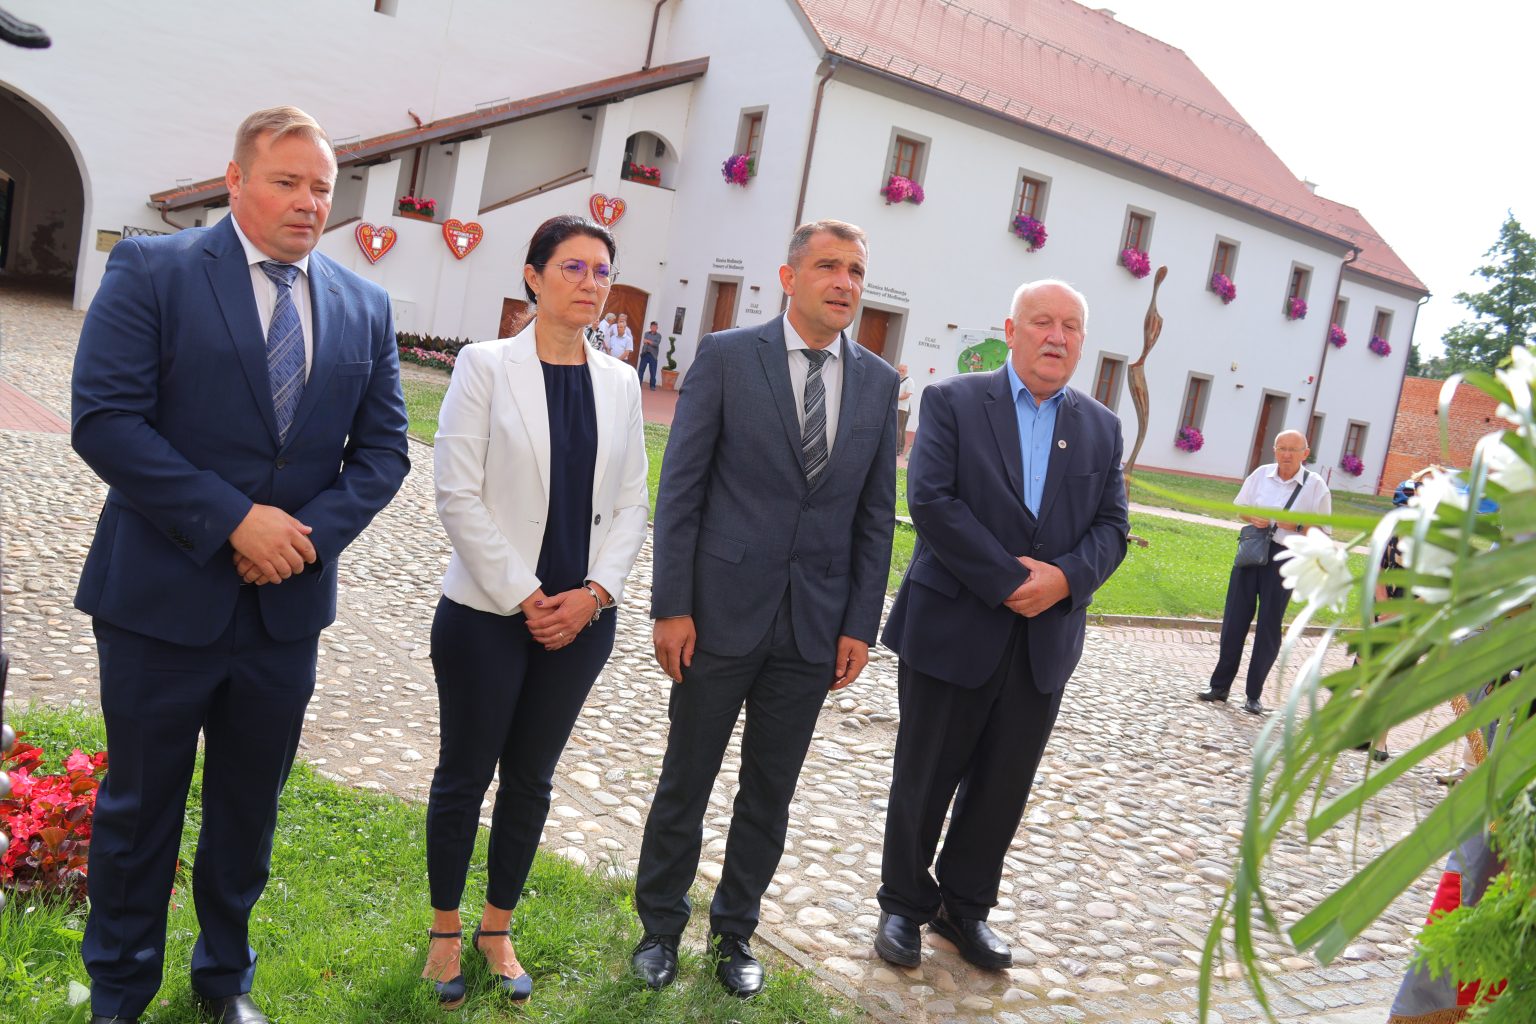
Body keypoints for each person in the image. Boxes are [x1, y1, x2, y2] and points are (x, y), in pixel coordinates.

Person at [70, 106, 411, 1024]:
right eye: (287, 181)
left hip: (281, 613)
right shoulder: (154, 270)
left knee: (248, 810)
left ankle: (225, 979)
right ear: (235, 180)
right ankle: (119, 991)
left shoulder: (364, 306)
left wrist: (300, 539)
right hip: (158, 600)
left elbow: (384, 453)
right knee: (140, 809)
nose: (308, 202)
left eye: (322, 188)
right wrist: (233, 523)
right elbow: (105, 420)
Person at [630, 219, 898, 997]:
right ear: (789, 278)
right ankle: (659, 928)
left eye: (856, 270)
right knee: (686, 779)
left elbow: (876, 515)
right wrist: (672, 605)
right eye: (828, 266)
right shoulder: (726, 357)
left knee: (769, 793)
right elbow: (681, 490)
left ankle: (735, 933)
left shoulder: (879, 383)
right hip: (716, 617)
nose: (844, 283)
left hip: (812, 629)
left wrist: (859, 623)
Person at [421, 215, 649, 1009]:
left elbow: (633, 504)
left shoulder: (620, 382)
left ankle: (497, 928)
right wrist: (527, 595)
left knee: (531, 780)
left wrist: (593, 595)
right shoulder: (485, 366)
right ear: (533, 275)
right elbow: (456, 492)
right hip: (487, 614)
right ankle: (444, 933)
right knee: (464, 775)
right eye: (573, 267)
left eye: (602, 271)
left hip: (580, 623)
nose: (591, 283)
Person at [873, 279, 1129, 971]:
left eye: (1070, 326)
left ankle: (965, 909)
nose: (1056, 337)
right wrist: (1012, 581)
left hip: (1043, 640)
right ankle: (902, 904)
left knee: (1002, 784)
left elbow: (1112, 527)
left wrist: (1064, 580)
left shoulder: (1102, 427)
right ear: (1011, 331)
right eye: (1042, 322)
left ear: (1082, 341)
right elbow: (931, 501)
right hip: (953, 626)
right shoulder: (953, 401)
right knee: (925, 774)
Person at [1196, 430, 1331, 713]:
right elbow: (1241, 508)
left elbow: (1323, 532)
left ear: (1305, 453)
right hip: (1252, 552)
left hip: (1286, 559)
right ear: (1274, 450)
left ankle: (1254, 694)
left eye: (1293, 449)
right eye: (1282, 448)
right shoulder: (1261, 474)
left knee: (1269, 626)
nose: (1286, 454)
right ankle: (1219, 686)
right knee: (1234, 620)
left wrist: (1295, 525)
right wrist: (1252, 516)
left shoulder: (1315, 486)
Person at [639, 320, 662, 390]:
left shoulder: (658, 336)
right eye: (652, 326)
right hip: (645, 353)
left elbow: (656, 344)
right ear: (650, 327)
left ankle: (652, 386)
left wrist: (648, 341)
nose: (653, 328)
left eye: (655, 326)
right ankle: (638, 384)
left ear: (657, 328)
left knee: (653, 371)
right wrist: (650, 342)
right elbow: (644, 342)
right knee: (641, 370)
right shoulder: (646, 333)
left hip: (653, 355)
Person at [896, 363, 912, 456]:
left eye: (903, 370)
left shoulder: (909, 381)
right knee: (897, 429)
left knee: (899, 429)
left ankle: (898, 449)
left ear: (906, 371)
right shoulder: (897, 379)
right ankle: (898, 448)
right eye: (899, 370)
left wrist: (895, 398)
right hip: (896, 407)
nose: (900, 372)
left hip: (902, 409)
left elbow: (907, 394)